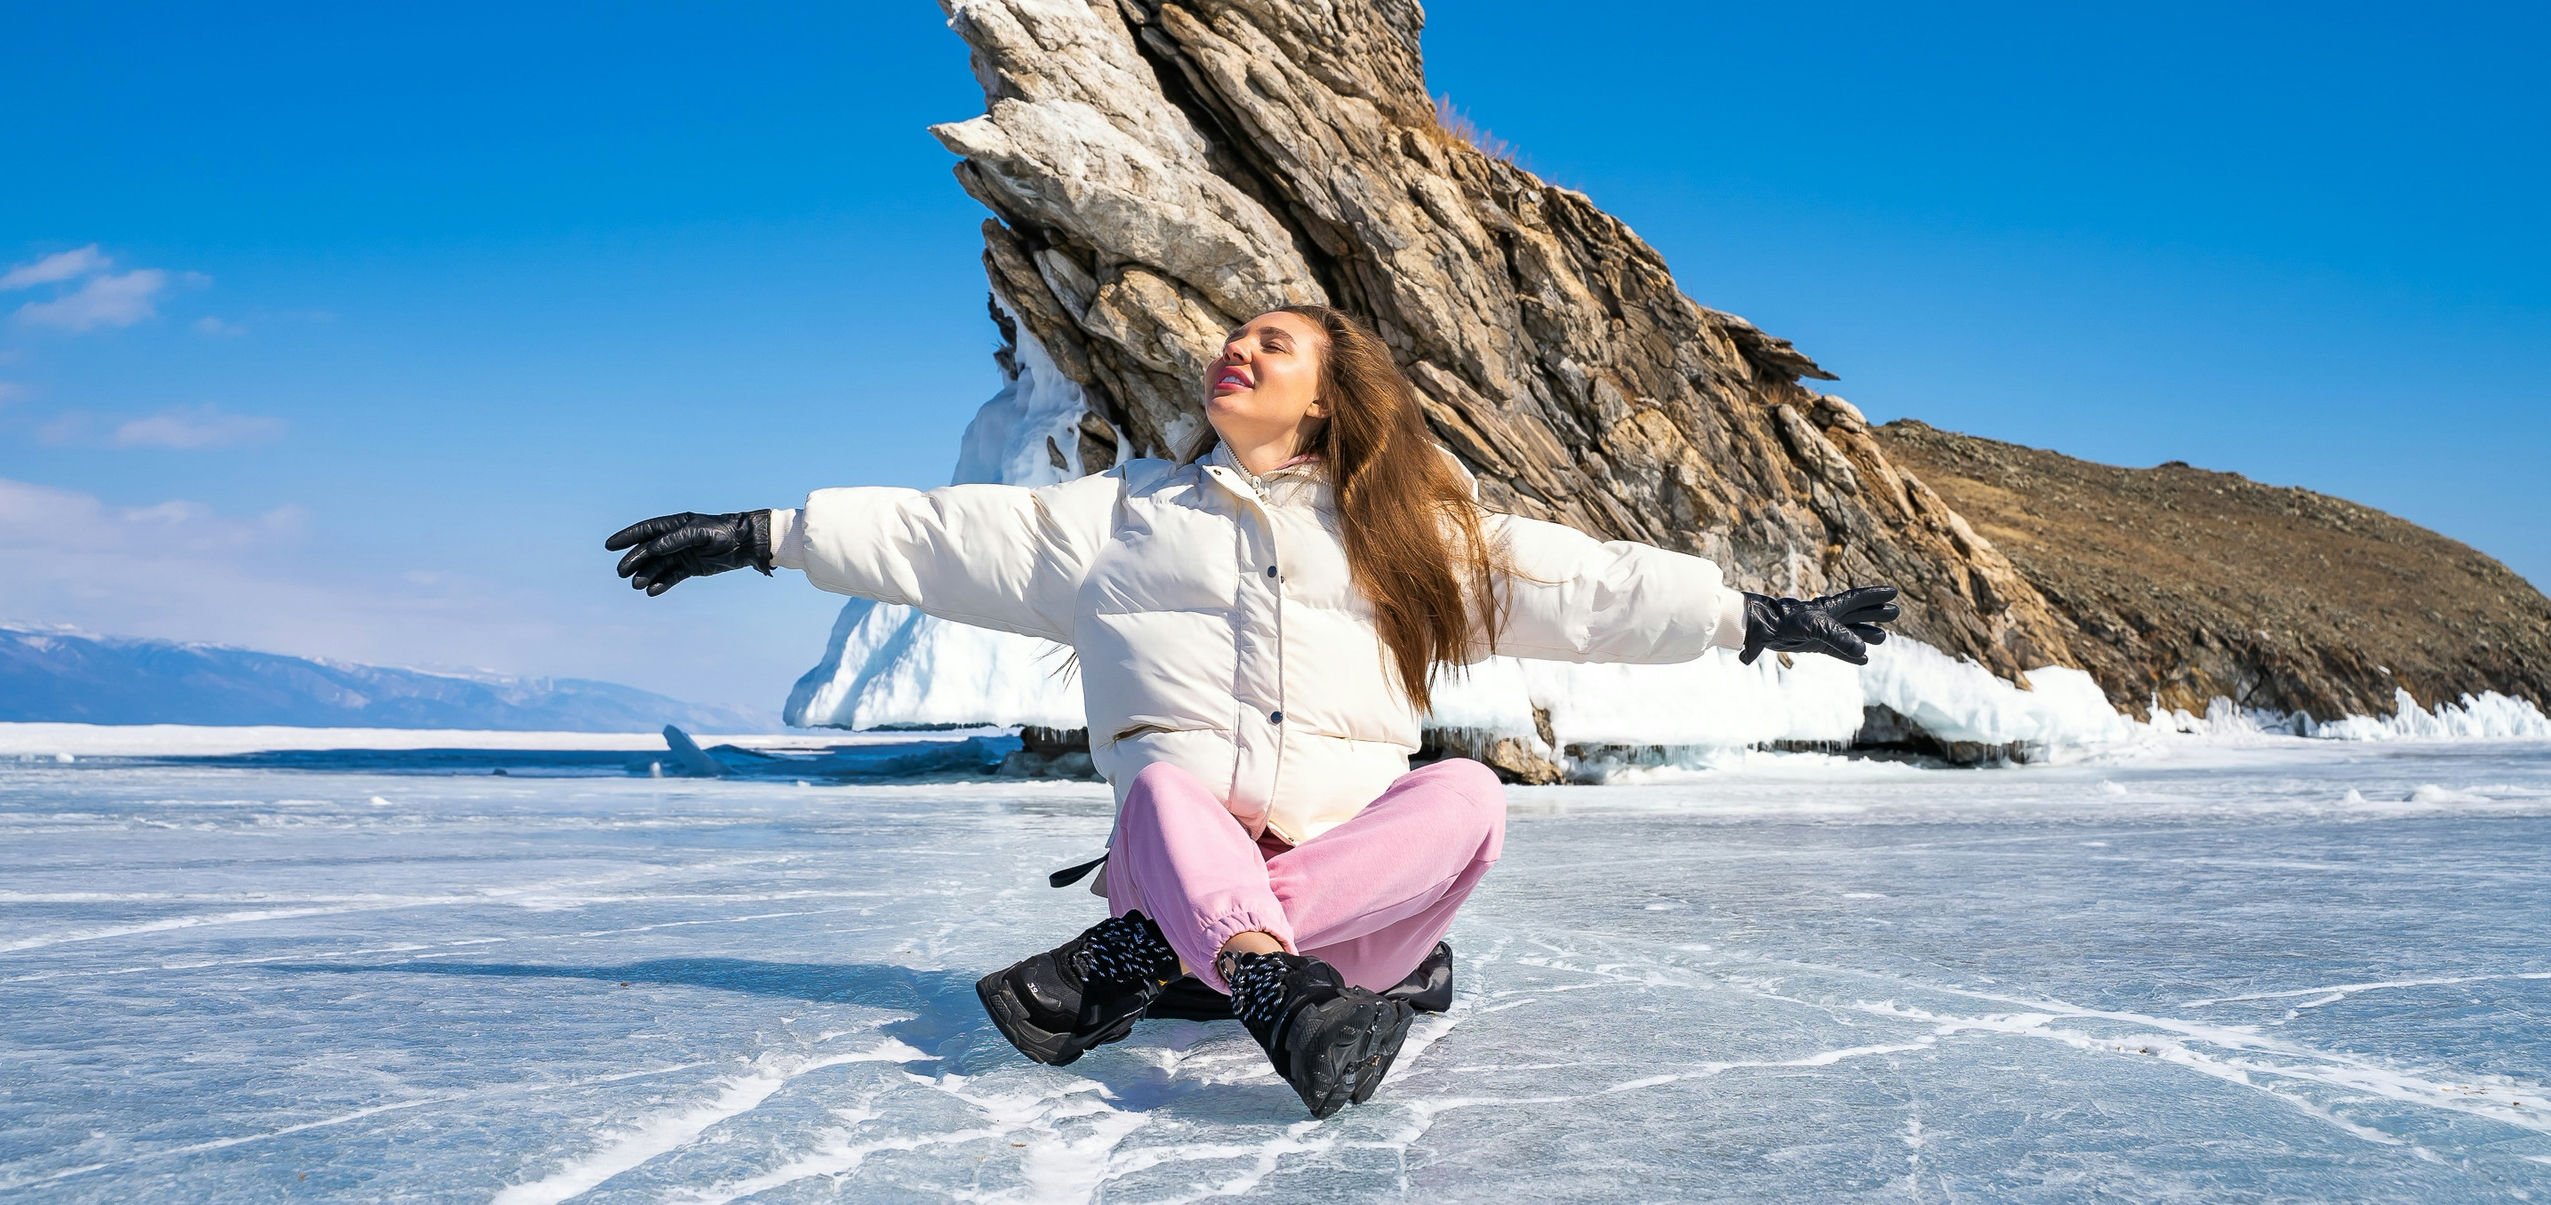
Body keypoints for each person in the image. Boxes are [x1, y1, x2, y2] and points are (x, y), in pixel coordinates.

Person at [605, 305, 1897, 1117]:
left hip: (1334, 925)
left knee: (1467, 794)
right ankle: (1268, 987)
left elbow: (1579, 584)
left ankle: (1147, 961)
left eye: (1275, 342)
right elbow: (943, 538)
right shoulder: (1124, 518)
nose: (1239, 346)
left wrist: (1750, 616)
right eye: (1234, 336)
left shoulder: (1402, 536)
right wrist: (767, 534)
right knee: (1169, 791)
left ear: (1327, 396)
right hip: (1205, 887)